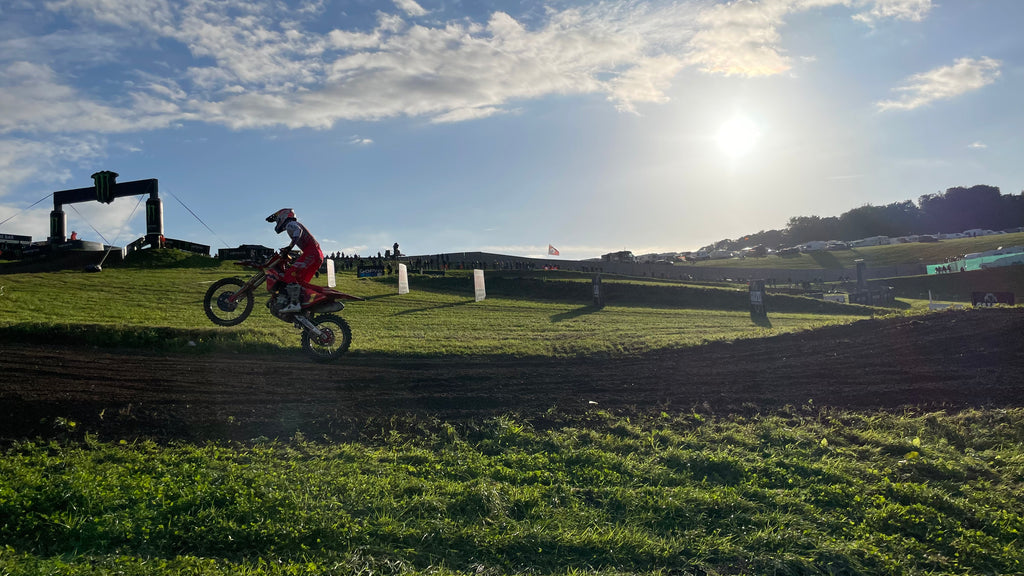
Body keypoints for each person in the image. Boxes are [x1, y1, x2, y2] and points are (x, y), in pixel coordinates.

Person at [266, 208, 324, 313]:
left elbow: (298, 231)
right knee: (300, 282)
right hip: (317, 255)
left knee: (289, 275)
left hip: (311, 253)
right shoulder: (292, 225)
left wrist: (289, 247)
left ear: (282, 217)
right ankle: (302, 309)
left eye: (277, 220)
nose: (277, 222)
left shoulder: (291, 224)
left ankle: (294, 304)